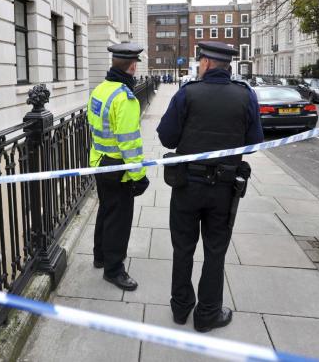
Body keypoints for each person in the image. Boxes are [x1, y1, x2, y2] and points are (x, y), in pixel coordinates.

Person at [156, 41, 263, 332]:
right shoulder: (245, 95)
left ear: (205, 63)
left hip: (187, 185)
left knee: (183, 248)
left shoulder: (187, 93)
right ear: (227, 66)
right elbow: (254, 143)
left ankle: (180, 309)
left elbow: (167, 137)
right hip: (224, 189)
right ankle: (207, 315)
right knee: (215, 251)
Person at [87, 43, 150, 291]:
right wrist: (139, 176)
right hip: (118, 168)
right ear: (132, 66)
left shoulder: (100, 90)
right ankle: (114, 270)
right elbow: (129, 143)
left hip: (99, 161)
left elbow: (93, 123)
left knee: (106, 210)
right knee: (119, 219)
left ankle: (100, 256)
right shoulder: (124, 97)